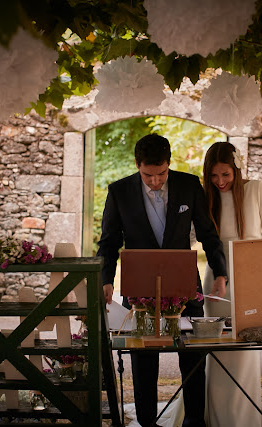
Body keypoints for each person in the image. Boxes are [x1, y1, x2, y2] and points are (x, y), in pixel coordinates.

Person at [97, 134, 228, 427]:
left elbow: (208, 233)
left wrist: (220, 272)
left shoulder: (189, 185)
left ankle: (194, 421)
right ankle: (146, 422)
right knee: (143, 359)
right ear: (137, 165)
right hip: (139, 285)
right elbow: (108, 241)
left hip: (186, 285)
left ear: (169, 163)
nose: (156, 181)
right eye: (148, 175)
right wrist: (106, 279)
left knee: (193, 356)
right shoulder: (119, 191)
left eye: (162, 174)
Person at [202, 141, 262, 427]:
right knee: (218, 344)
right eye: (213, 175)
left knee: (246, 347)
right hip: (217, 277)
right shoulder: (206, 196)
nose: (220, 181)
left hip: (250, 274)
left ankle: (243, 416)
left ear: (236, 169)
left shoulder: (255, 189)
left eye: (225, 174)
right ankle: (216, 414)